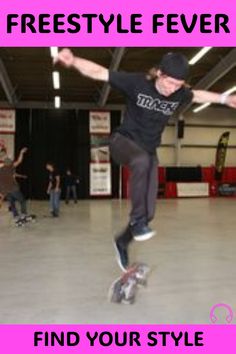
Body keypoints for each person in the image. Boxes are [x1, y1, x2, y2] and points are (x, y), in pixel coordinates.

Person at [54, 48, 236, 271]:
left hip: (149, 152)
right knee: (141, 162)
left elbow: (197, 95)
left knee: (149, 212)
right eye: (169, 83)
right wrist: (73, 61)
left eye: (178, 85)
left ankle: (123, 240)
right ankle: (137, 221)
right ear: (159, 73)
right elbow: (101, 72)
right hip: (123, 142)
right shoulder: (137, 83)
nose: (172, 90)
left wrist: (226, 98)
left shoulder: (179, 93)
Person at [0, 147, 28, 223]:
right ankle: (23, 214)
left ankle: (15, 215)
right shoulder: (10, 166)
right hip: (13, 188)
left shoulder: (2, 168)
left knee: (11, 203)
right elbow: (19, 161)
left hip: (6, 190)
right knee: (22, 201)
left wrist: (2, 192)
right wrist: (21, 153)